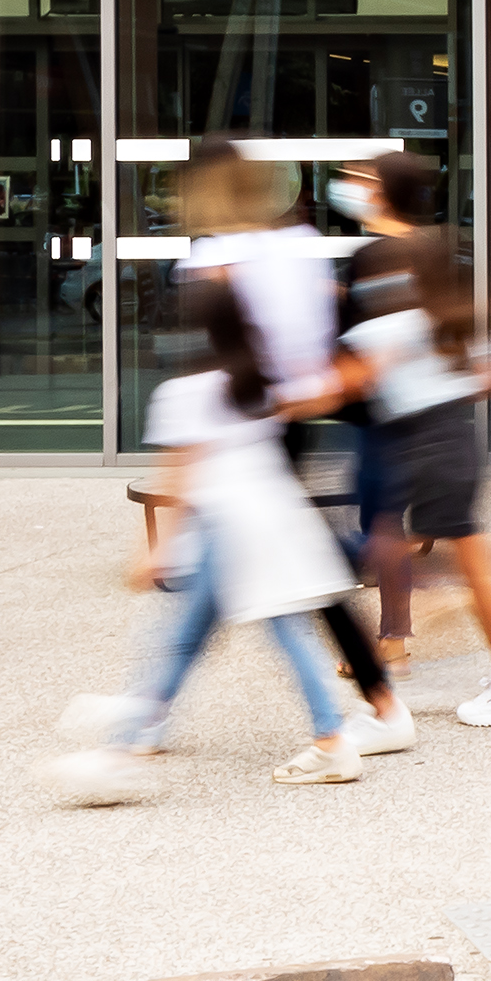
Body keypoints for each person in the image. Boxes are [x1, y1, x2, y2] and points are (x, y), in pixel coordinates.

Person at [59, 264, 393, 800]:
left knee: (181, 639)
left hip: (228, 527)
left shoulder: (185, 390)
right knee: (264, 634)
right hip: (274, 517)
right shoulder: (259, 376)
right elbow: (324, 394)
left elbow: (179, 476)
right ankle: (133, 738)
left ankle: (123, 744)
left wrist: (155, 551)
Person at [176, 139, 403, 727]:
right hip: (291, 417)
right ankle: (146, 716)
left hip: (242, 427)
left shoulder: (215, 258)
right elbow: (322, 336)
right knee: (246, 573)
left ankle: (366, 710)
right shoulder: (298, 247)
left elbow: (206, 359)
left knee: (293, 577)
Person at [341, 158, 491, 726]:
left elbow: (341, 383)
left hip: (422, 447)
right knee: (461, 565)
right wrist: (453, 381)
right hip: (457, 443)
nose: (376, 282)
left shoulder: (389, 327)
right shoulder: (454, 315)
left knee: (432, 562)